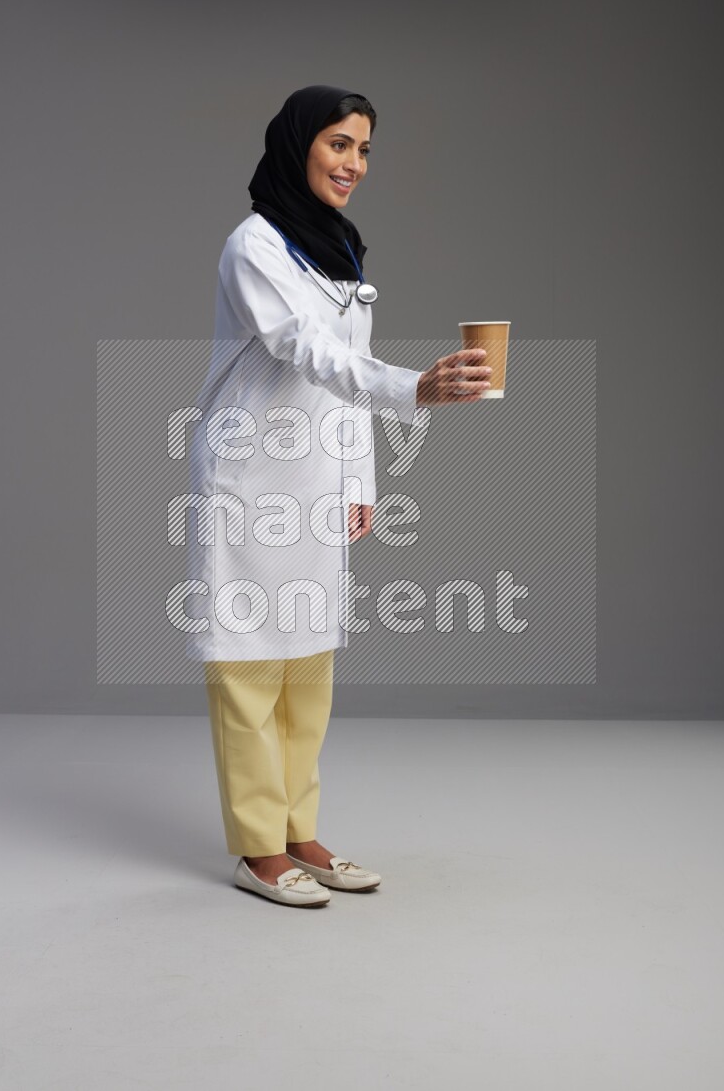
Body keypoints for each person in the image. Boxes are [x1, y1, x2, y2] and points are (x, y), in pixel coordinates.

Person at [186, 85, 492, 907]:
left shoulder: (339, 252)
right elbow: (306, 351)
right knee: (249, 666)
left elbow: (342, 386)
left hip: (318, 480)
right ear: (298, 146)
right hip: (251, 481)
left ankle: (301, 831)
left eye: (364, 149)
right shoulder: (255, 246)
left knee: (309, 665)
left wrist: (360, 479)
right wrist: (415, 388)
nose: (353, 163)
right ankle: (259, 848)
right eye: (338, 143)